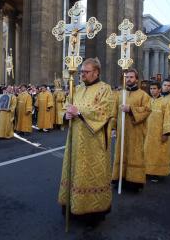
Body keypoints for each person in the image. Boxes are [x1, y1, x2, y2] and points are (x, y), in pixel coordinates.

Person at [58, 58, 113, 225]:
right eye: (81, 72)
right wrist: (66, 114)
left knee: (90, 174)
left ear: (96, 72)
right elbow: (67, 106)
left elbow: (104, 111)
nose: (82, 75)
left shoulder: (105, 89)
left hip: (93, 142)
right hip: (75, 139)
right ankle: (72, 205)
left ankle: (92, 212)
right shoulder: (78, 89)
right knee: (74, 171)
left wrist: (79, 112)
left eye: (86, 72)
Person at [111, 69, 151, 192]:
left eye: (131, 77)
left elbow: (147, 110)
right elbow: (114, 112)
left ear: (136, 79)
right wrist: (113, 127)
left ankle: (134, 182)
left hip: (136, 131)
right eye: (127, 77)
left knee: (135, 155)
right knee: (120, 153)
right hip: (121, 130)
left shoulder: (143, 95)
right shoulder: (119, 94)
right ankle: (119, 178)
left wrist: (131, 109)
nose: (128, 79)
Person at [144, 81, 170, 181]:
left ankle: (156, 173)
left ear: (159, 89)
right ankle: (147, 171)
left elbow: (167, 119)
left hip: (158, 133)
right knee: (146, 152)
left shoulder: (164, 102)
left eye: (154, 88)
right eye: (151, 89)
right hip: (147, 132)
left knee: (158, 153)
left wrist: (165, 133)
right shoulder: (147, 101)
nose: (152, 91)